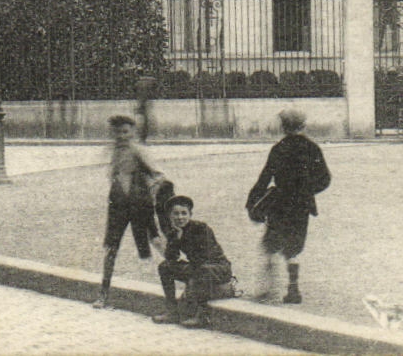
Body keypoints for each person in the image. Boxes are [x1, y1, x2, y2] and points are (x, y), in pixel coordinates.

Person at [245, 108, 330, 304]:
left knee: (271, 244)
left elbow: (265, 177)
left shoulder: (279, 148)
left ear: (283, 127)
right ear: (303, 125)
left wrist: (252, 200)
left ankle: (267, 290)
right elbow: (325, 178)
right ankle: (293, 290)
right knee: (293, 248)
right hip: (302, 205)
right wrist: (307, 190)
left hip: (280, 203)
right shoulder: (313, 148)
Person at [93, 114, 166, 309]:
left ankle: (186, 277)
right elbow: (114, 176)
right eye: (117, 132)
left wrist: (148, 194)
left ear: (133, 132)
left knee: (155, 240)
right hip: (118, 206)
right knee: (111, 247)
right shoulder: (113, 152)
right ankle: (103, 293)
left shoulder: (138, 151)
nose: (121, 136)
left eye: (125, 132)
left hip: (139, 205)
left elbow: (159, 176)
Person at [152, 194, 234, 329]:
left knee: (203, 269)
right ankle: (172, 312)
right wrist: (176, 239)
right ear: (170, 216)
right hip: (199, 268)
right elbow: (170, 258)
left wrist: (182, 239)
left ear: (190, 214)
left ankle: (202, 316)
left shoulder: (201, 228)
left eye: (184, 213)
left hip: (217, 268)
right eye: (176, 214)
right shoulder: (174, 232)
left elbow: (204, 257)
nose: (180, 217)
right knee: (165, 267)